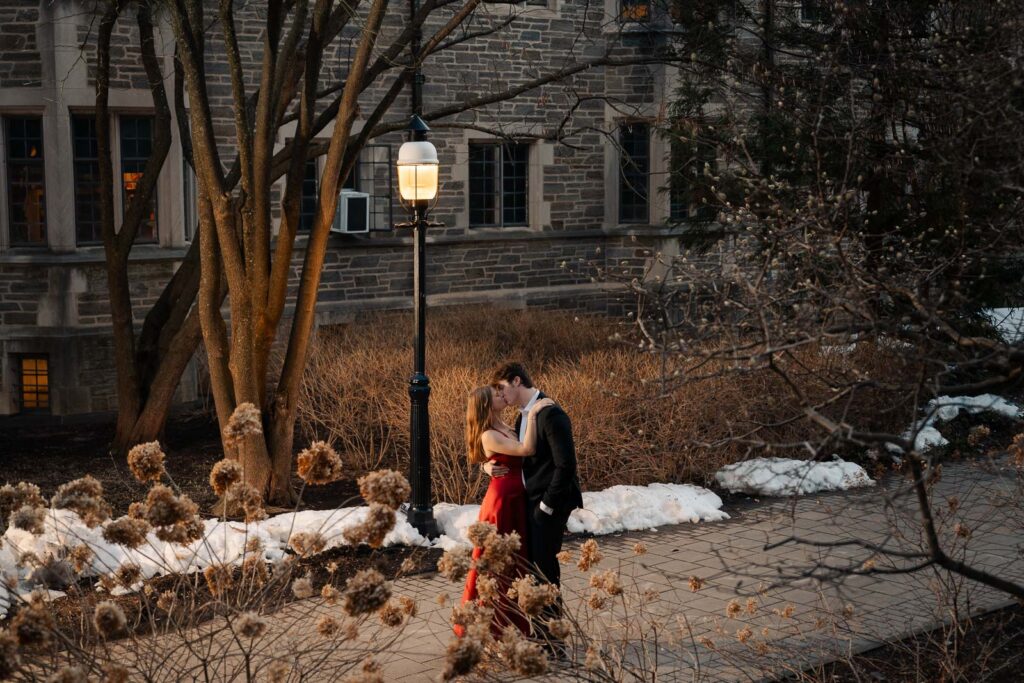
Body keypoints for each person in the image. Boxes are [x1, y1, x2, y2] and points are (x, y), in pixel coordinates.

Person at [486, 361, 584, 647]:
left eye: (503, 389)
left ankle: (554, 645)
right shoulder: (522, 417)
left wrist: (547, 507)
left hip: (548, 506)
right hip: (527, 505)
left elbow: (566, 467)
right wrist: (486, 468)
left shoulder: (551, 413)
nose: (502, 396)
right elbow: (509, 452)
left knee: (546, 574)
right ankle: (543, 636)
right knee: (535, 573)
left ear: (517, 381)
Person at [456, 384, 555, 638]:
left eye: (500, 393)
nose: (501, 396)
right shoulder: (488, 434)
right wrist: (533, 413)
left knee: (514, 566)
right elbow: (525, 450)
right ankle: (493, 631)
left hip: (515, 500)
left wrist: (486, 466)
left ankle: (512, 627)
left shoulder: (506, 425)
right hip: (501, 504)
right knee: (497, 568)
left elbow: (506, 457)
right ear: (487, 406)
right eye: (496, 396)